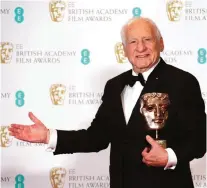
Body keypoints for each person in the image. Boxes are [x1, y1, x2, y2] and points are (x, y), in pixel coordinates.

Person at [9, 17, 206, 188]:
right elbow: (97, 137)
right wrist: (49, 136)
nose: (141, 48)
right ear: (124, 49)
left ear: (161, 43)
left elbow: (200, 140)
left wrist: (169, 157)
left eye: (147, 39)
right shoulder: (114, 85)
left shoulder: (183, 82)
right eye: (133, 41)